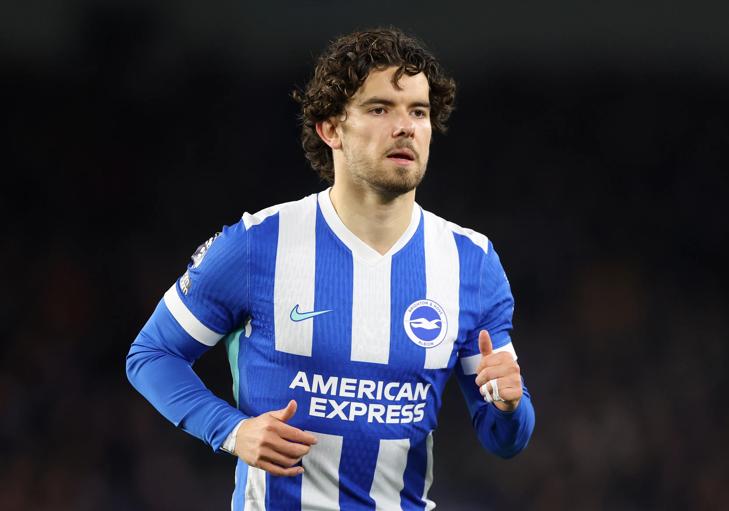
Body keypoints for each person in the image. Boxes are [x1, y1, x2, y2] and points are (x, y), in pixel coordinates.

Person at [126, 27, 534, 510]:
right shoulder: (258, 245)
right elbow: (152, 355)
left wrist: (510, 404)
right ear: (331, 128)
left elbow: (504, 439)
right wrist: (231, 430)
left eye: (418, 112)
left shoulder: (472, 262)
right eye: (381, 108)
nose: (405, 127)